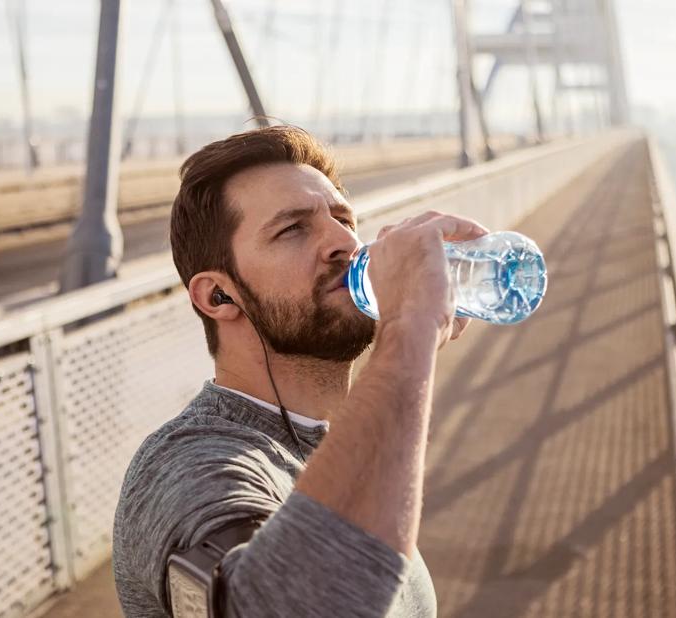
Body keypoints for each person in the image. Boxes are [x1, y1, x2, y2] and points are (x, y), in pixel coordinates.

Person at [112, 125, 488, 617]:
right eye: (293, 228)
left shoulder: (333, 446)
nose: (343, 243)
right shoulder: (186, 465)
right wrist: (411, 323)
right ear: (218, 297)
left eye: (342, 219)